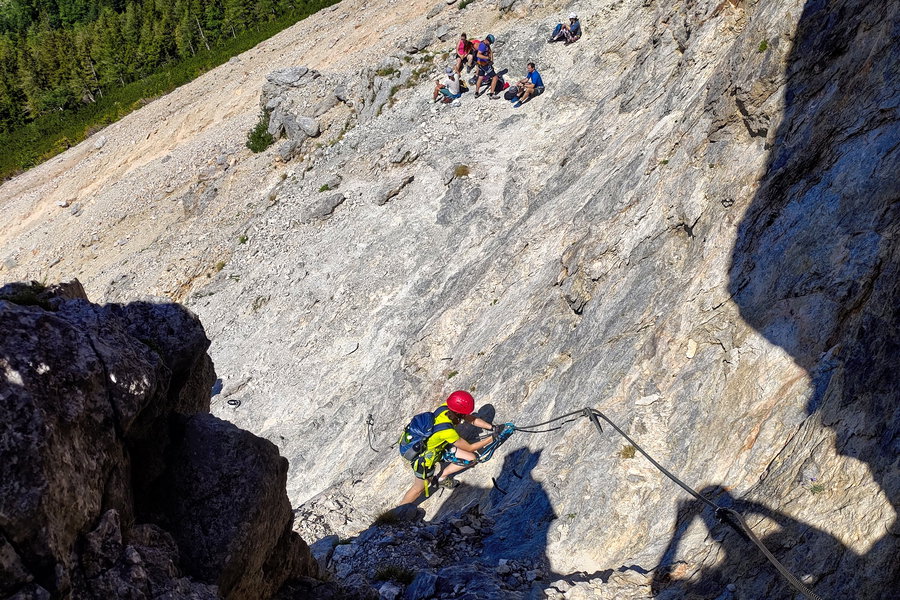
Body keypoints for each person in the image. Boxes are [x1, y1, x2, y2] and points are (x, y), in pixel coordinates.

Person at [399, 390, 501, 505]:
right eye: (464, 413)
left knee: (471, 459)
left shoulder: (445, 408)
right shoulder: (446, 431)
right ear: (459, 412)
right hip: (424, 460)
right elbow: (470, 447)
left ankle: (440, 478)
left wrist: (491, 427)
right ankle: (397, 514)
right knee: (418, 489)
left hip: (438, 448)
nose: (466, 415)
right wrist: (491, 439)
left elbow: (471, 419)